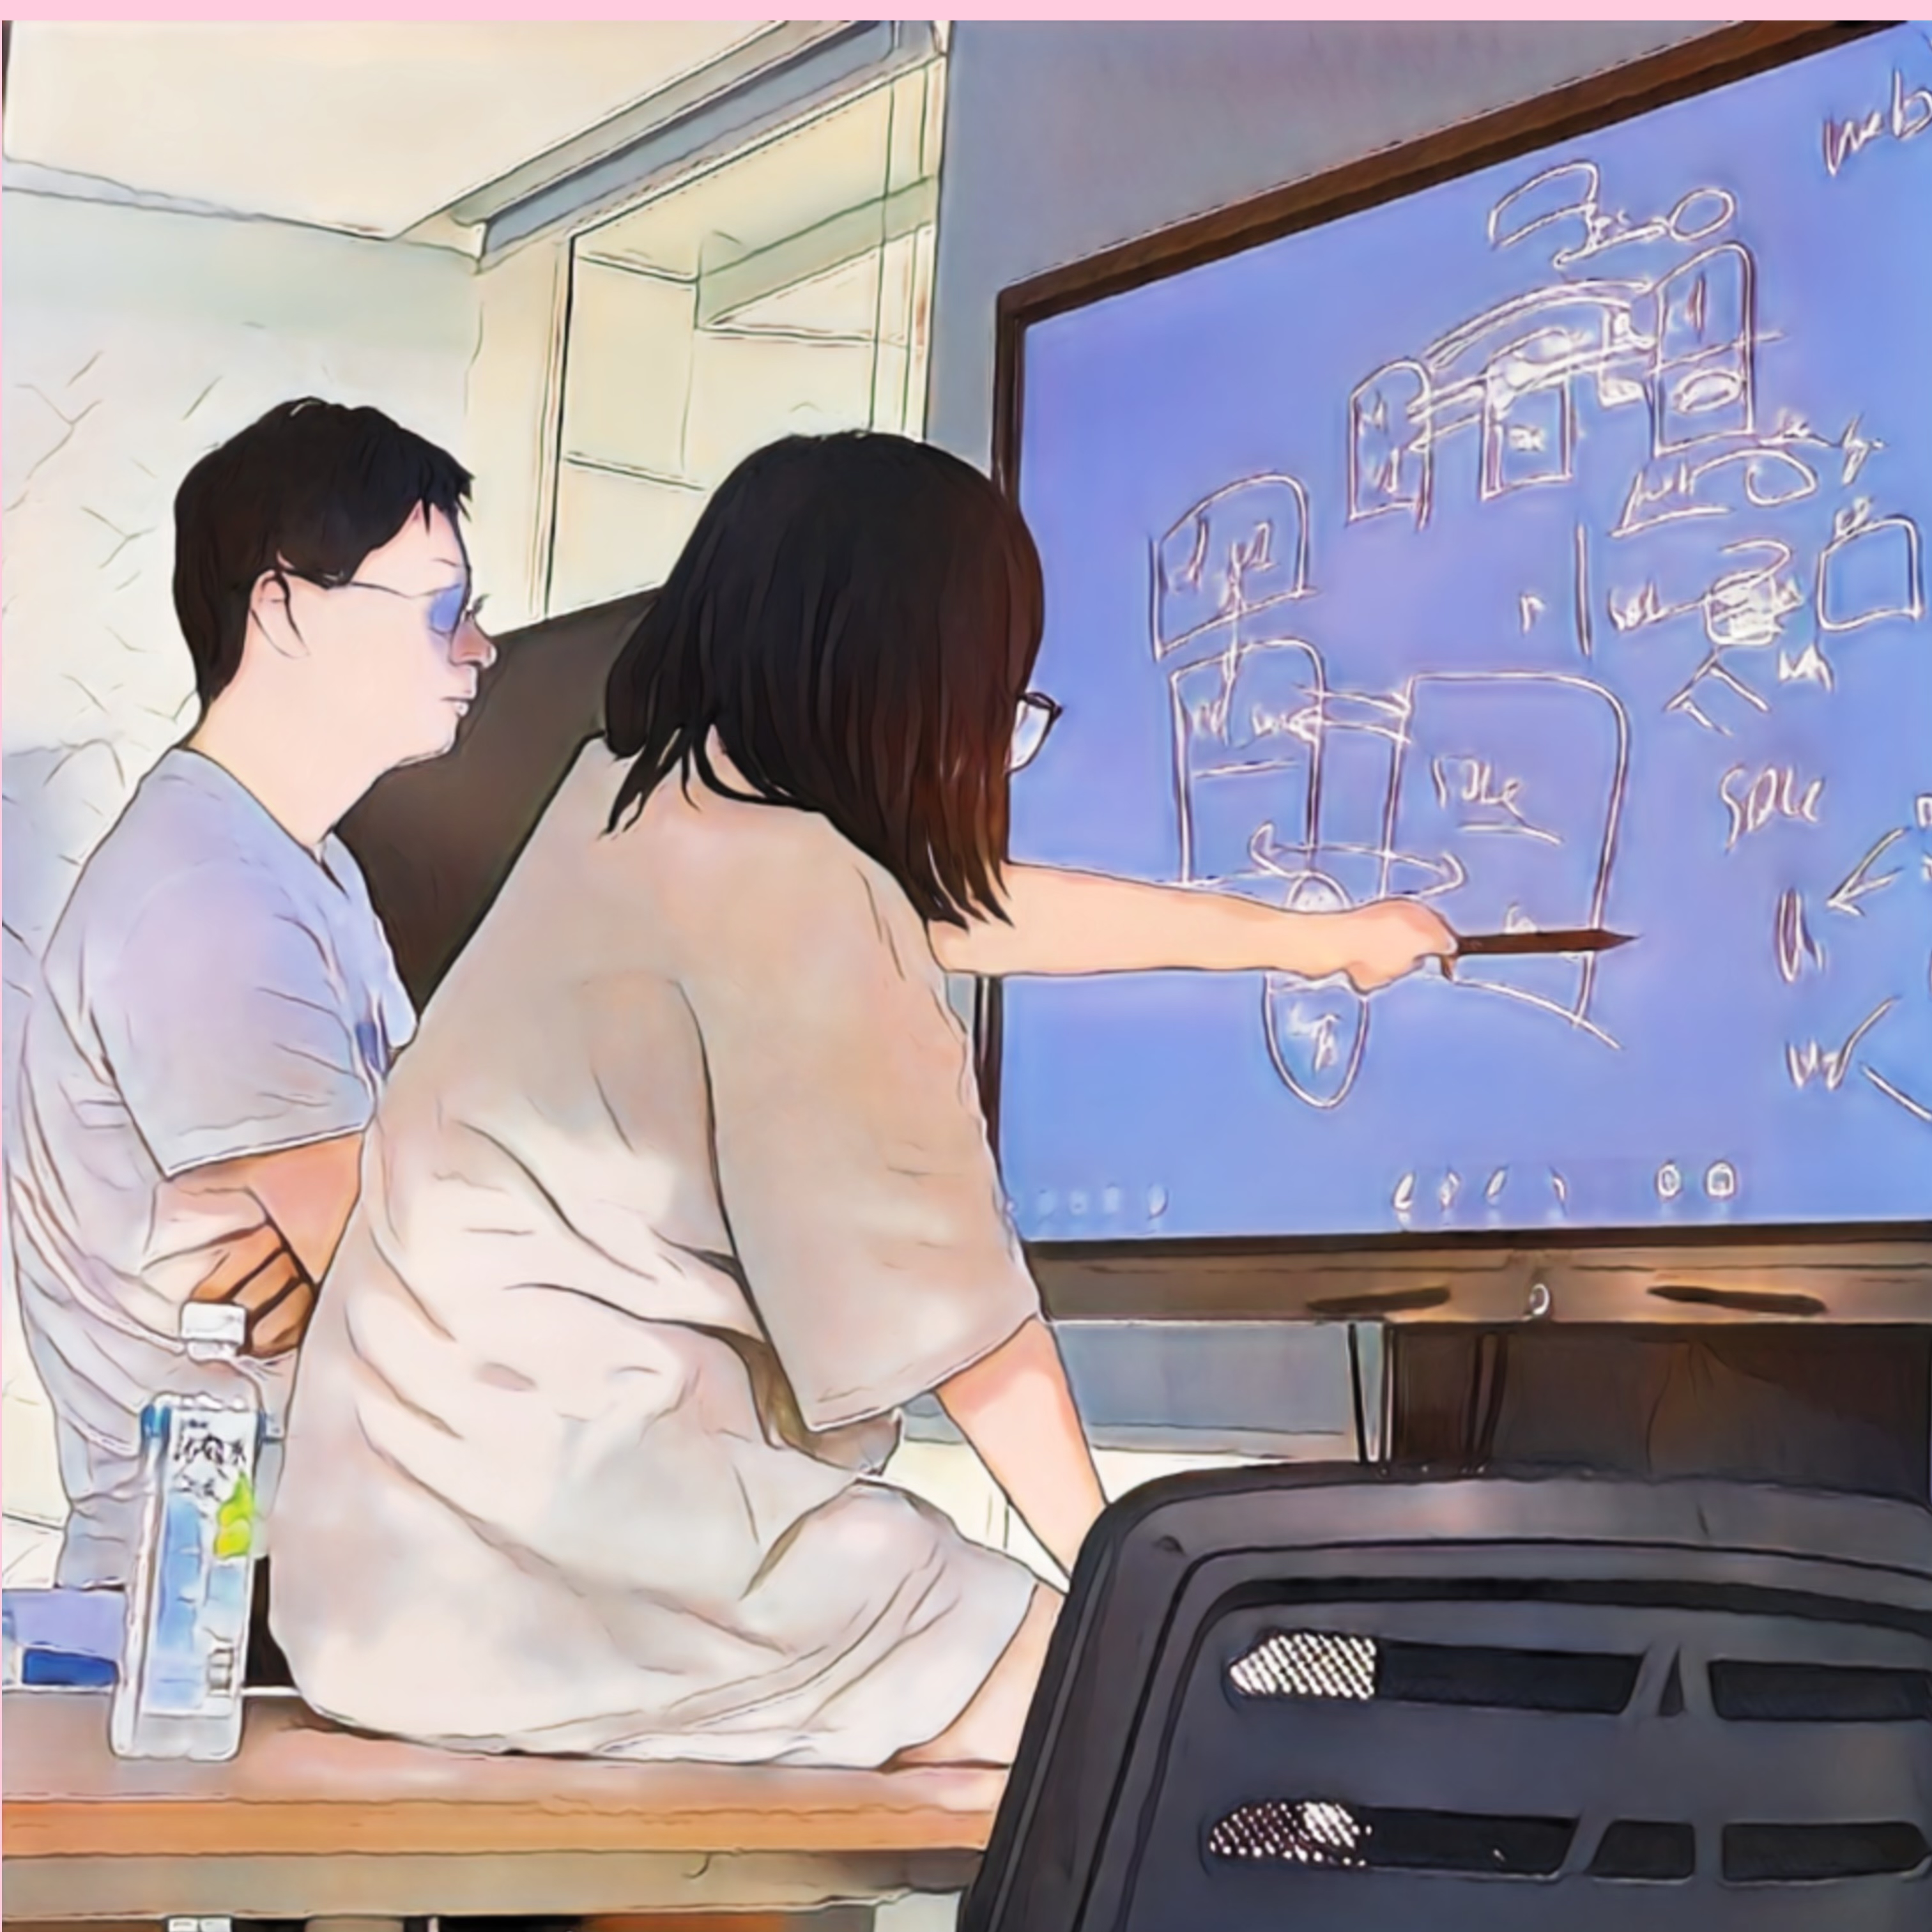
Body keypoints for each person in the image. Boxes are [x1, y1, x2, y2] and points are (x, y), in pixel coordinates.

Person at [268, 431, 1453, 1768]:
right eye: (994, 703)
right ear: (905, 689)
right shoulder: (797, 892)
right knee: (1193, 1719)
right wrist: (1136, 1588)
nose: (994, 750)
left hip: (376, 1573)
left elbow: (949, 902)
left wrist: (1308, 940)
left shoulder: (635, 804)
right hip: (586, 1562)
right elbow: (966, 1328)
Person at [6, 398, 494, 1594]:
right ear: (282, 609)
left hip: (286, 1569)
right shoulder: (208, 897)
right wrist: (377, 1252)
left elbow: (399, 1231)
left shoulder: (302, 868)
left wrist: (367, 1244)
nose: (481, 648)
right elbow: (426, 1294)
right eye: (443, 610)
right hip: (220, 1601)